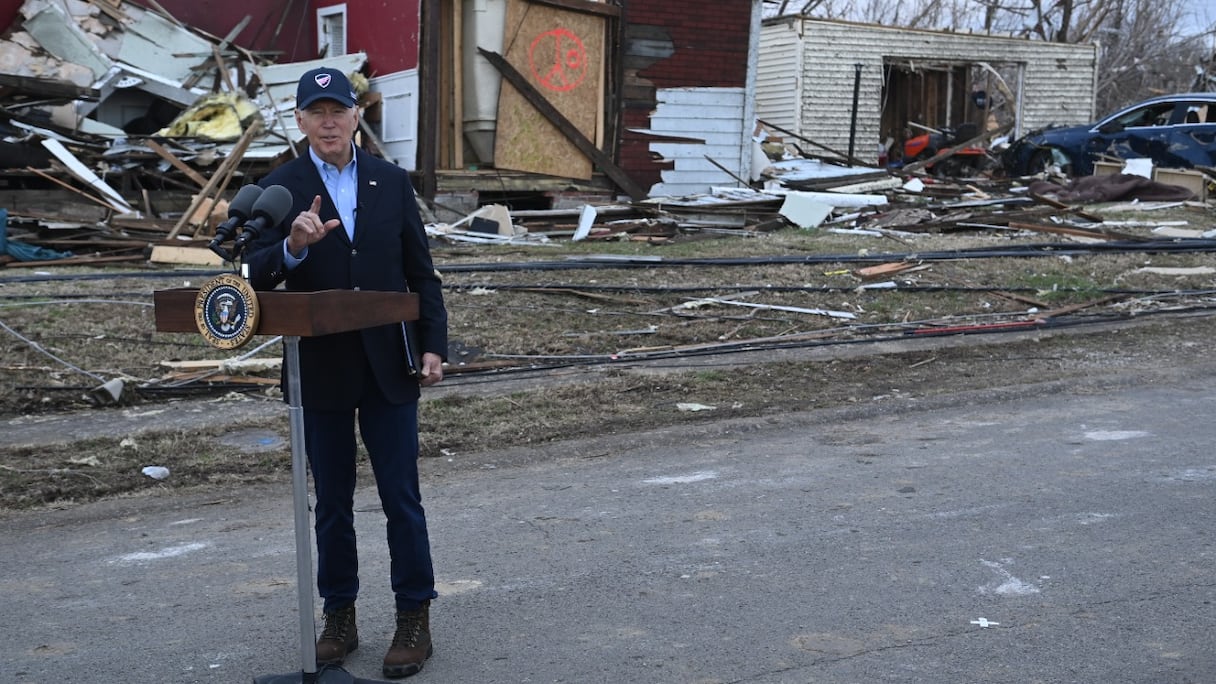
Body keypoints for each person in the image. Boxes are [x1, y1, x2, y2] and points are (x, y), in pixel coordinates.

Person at [243, 66, 448, 679]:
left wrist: (434, 342)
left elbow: (421, 270)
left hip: (389, 363)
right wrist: (292, 248)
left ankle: (414, 614)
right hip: (320, 370)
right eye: (317, 111)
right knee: (331, 503)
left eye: (339, 109)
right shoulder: (280, 188)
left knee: (400, 498)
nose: (329, 121)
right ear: (300, 120)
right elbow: (253, 275)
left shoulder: (391, 180)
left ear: (358, 116)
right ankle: (341, 614)